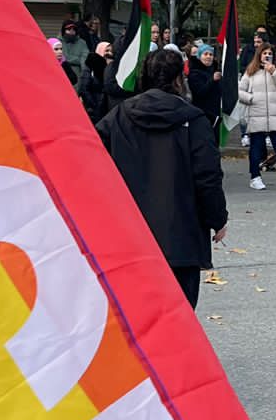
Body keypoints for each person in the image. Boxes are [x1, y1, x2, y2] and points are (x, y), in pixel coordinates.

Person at [95, 49, 228, 307]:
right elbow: (208, 177)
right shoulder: (193, 120)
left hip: (131, 234)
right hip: (181, 236)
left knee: (136, 316)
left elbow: (90, 160)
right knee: (180, 315)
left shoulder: (119, 116)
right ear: (179, 79)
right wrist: (217, 219)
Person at [237, 42, 276, 191]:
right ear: (259, 55)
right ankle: (255, 177)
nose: (267, 56)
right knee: (256, 148)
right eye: (264, 53)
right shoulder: (250, 71)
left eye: (270, 53)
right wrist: (251, 99)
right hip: (257, 114)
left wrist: (274, 72)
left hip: (275, 115)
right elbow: (239, 91)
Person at [77, 39, 127, 125]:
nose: (109, 53)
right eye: (106, 50)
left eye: (111, 51)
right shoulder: (91, 67)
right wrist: (93, 105)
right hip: (94, 108)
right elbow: (84, 88)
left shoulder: (113, 68)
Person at [186, 40, 221, 121]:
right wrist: (212, 80)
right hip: (202, 113)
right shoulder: (194, 73)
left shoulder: (214, 70)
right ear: (199, 56)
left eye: (211, 54)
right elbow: (200, 92)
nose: (208, 56)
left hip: (215, 112)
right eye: (205, 54)